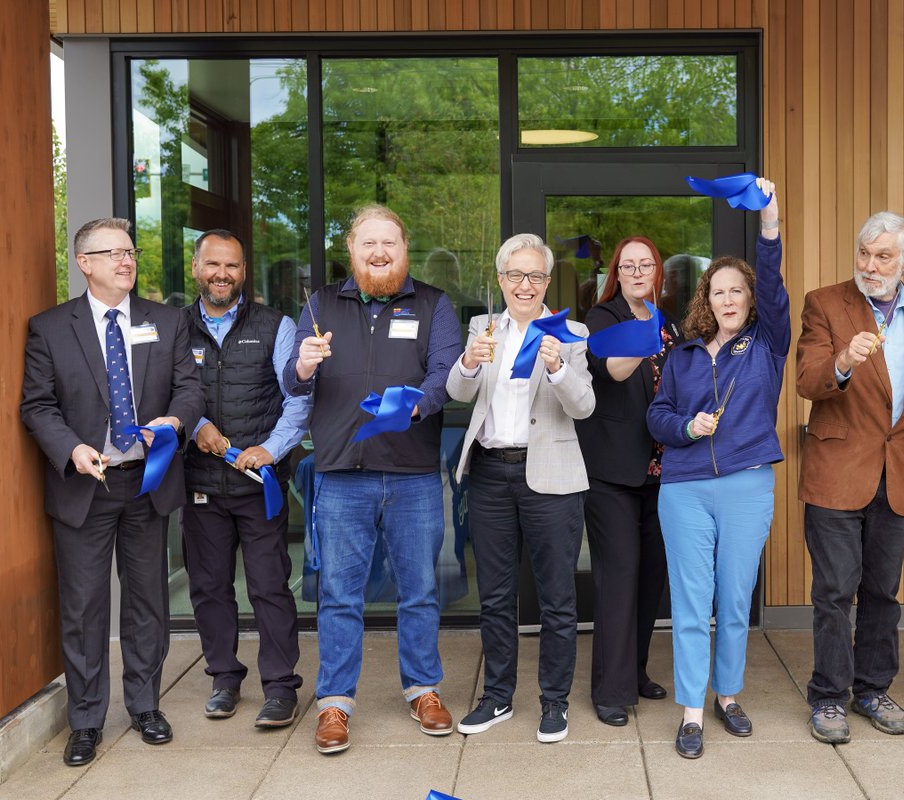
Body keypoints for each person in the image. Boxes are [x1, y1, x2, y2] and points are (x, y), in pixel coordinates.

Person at [20, 218, 204, 766]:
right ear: (85, 263)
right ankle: (85, 720)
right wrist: (72, 449)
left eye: (131, 252)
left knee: (148, 601)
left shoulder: (166, 321)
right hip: (85, 487)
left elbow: (190, 389)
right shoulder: (50, 328)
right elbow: (38, 406)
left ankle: (145, 705)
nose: (127, 261)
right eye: (114, 253)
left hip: (147, 483)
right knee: (83, 608)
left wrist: (174, 420)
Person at [285, 205, 463, 754]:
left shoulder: (434, 304)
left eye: (389, 242)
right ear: (352, 249)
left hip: (411, 474)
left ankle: (423, 689)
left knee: (420, 590)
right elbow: (294, 389)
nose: (379, 252)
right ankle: (335, 704)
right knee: (339, 594)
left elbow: (446, 377)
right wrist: (304, 366)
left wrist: (413, 407)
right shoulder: (319, 306)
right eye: (369, 244)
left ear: (404, 247)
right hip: (341, 475)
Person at [645, 178, 788, 759]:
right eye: (718, 291)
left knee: (733, 599)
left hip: (747, 482)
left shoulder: (767, 342)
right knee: (689, 601)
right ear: (706, 298)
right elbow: (656, 417)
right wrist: (685, 428)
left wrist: (770, 222)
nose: (728, 300)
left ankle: (728, 696)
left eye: (738, 291)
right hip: (683, 489)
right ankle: (690, 712)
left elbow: (776, 284)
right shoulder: (680, 354)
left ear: (751, 299)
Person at [796, 211, 904, 744]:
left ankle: (872, 688)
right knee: (835, 590)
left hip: (901, 472)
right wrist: (841, 360)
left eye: (884, 256)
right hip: (837, 471)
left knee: (883, 590)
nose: (870, 265)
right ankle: (830, 698)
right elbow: (807, 380)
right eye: (864, 253)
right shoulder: (824, 303)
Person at [447, 233, 594, 744]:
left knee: (557, 599)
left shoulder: (570, 332)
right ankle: (497, 697)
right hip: (490, 473)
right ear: (501, 280)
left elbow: (584, 407)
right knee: (495, 595)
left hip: (549, 475)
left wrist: (556, 367)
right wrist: (468, 361)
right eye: (515, 275)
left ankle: (554, 703)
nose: (524, 285)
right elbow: (458, 392)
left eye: (534, 276)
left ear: (547, 282)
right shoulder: (482, 327)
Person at [181, 229, 309, 728]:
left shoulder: (276, 326)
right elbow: (164, 390)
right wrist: (196, 425)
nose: (222, 274)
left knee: (270, 586)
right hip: (199, 482)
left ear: (243, 272)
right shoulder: (175, 327)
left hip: (258, 484)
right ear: (196, 268)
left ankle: (280, 688)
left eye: (232, 266)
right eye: (213, 264)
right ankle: (224, 679)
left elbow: (298, 398)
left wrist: (269, 450)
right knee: (209, 587)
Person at [574, 235, 683, 727]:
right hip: (612, 473)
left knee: (650, 579)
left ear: (657, 273)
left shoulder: (672, 326)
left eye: (647, 265)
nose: (638, 273)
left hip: (663, 473)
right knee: (619, 578)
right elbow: (613, 371)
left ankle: (635, 672)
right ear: (616, 275)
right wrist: (645, 336)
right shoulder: (604, 320)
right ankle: (610, 690)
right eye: (628, 266)